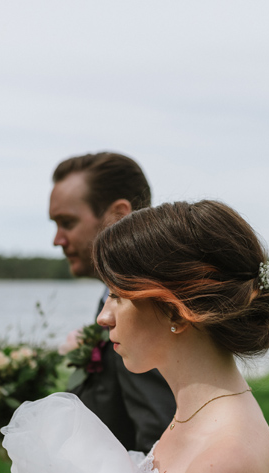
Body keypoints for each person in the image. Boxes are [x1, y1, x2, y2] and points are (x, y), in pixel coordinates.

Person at [0, 200, 269, 473]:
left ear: (173, 311)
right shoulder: (197, 414)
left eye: (117, 295)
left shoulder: (223, 458)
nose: (103, 317)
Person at [49, 152, 175, 453]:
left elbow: (160, 439)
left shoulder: (144, 307)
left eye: (67, 222)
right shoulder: (117, 295)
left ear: (119, 215)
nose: (57, 239)